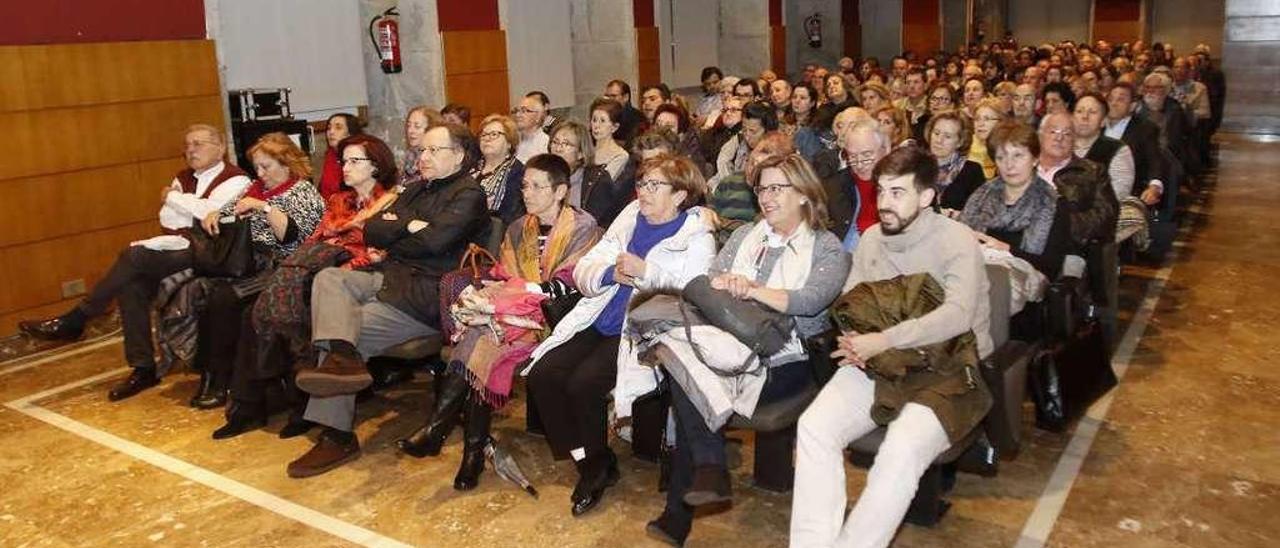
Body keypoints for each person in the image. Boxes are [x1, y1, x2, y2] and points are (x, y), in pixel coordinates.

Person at [791, 146, 993, 548]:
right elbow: (851, 303)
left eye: (897, 193)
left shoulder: (956, 240)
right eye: (881, 191)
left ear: (926, 197)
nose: (885, 203)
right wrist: (850, 340)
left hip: (950, 369)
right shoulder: (871, 240)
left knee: (901, 448)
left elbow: (957, 316)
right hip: (879, 362)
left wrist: (882, 339)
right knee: (814, 428)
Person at [646, 154, 851, 546]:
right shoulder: (745, 236)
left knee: (689, 379)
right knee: (681, 362)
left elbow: (809, 301)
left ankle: (691, 495)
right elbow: (710, 280)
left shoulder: (826, 247)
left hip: (789, 356)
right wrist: (726, 284)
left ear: (805, 194)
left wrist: (751, 290)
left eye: (777, 188)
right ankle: (708, 468)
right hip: (730, 341)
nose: (766, 197)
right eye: (761, 189)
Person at [287, 124, 489, 478]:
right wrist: (410, 227)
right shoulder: (415, 189)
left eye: (433, 151)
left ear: (458, 155)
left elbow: (435, 243)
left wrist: (402, 227)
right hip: (388, 275)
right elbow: (374, 229)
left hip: (424, 295)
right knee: (328, 279)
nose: (423, 157)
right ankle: (341, 361)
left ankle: (337, 435)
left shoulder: (469, 194)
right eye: (422, 150)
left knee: (341, 331)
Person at [395, 154, 602, 489]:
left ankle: (444, 432)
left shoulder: (583, 228)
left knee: (481, 339)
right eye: (524, 185)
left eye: (537, 186)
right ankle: (469, 453)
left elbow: (569, 284)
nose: (527, 193)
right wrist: (503, 291)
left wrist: (517, 292)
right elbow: (504, 272)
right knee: (484, 342)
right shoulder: (520, 227)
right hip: (511, 317)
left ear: (561, 190)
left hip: (557, 320)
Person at [526, 153, 715, 516]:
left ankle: (594, 469)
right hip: (601, 315)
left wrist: (648, 271)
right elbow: (585, 267)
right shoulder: (630, 218)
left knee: (583, 384)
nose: (642, 191)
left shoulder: (696, 235)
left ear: (679, 195)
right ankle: (591, 460)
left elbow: (696, 293)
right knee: (543, 374)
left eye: (654, 185)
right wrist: (609, 273)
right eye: (641, 183)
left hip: (642, 330)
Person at [20, 124, 252, 401]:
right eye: (187, 145)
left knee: (134, 256)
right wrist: (189, 207)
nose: (190, 151)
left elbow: (211, 216)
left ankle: (78, 318)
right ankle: (143, 368)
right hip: (183, 246)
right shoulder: (184, 177)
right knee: (132, 285)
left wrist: (175, 197)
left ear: (221, 147)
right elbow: (169, 219)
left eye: (198, 144)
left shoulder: (236, 180)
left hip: (216, 254)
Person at [212, 134, 396, 438]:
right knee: (256, 313)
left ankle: (303, 404)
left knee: (295, 307)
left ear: (375, 165)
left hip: (356, 274)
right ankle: (249, 407)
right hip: (318, 266)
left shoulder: (391, 201)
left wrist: (328, 268)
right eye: (343, 161)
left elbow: (379, 252)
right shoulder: (339, 200)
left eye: (353, 161)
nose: (344, 167)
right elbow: (315, 240)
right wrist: (301, 267)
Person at [961, 121, 1071, 281]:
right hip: (973, 273)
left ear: (1035, 159)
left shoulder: (1053, 203)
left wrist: (1007, 250)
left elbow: (1050, 268)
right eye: (1001, 157)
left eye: (1018, 155)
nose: (1009, 165)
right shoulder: (981, 195)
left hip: (1024, 285)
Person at [1037, 112, 1119, 250]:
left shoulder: (1092, 171)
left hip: (1069, 248)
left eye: (1067, 134)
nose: (1059, 138)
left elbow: (1106, 215)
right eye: (1053, 131)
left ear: (1075, 140)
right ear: (1040, 135)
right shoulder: (1023, 167)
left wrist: (1059, 225)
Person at [549, 119, 634, 228]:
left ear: (580, 153)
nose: (558, 149)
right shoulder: (543, 174)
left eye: (566, 144)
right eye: (555, 142)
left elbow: (598, 224)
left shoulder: (597, 180)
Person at [823, 119, 890, 251]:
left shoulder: (902, 186)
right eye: (852, 156)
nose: (859, 164)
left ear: (885, 150)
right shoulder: (833, 186)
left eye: (867, 155)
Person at [1105, 82, 1166, 206]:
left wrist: (1154, 187)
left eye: (1120, 100)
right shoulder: (1097, 124)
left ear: (1133, 106)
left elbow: (1155, 161)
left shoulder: (1145, 129)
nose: (1113, 103)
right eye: (1110, 99)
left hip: (1129, 190)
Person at [1073, 93, 1135, 199]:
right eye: (1079, 111)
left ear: (1103, 121)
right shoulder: (1061, 145)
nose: (1084, 117)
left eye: (1092, 112)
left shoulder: (1117, 150)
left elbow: (1119, 194)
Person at [925, 111, 985, 216]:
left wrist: (952, 214)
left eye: (947, 136)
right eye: (936, 133)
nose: (939, 140)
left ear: (960, 142)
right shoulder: (915, 166)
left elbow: (979, 213)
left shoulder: (972, 171)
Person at [472, 114, 527, 225]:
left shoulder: (518, 172)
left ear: (509, 143)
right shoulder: (471, 168)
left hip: (497, 233)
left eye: (494, 134)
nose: (487, 138)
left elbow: (512, 215)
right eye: (484, 135)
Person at [710, 101, 777, 191]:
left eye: (753, 131)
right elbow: (721, 168)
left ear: (768, 131)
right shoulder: (738, 141)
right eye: (744, 129)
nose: (747, 135)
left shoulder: (778, 151)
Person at [317, 113, 363, 199]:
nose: (331, 132)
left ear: (350, 133)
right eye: (329, 128)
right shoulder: (330, 155)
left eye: (338, 128)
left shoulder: (360, 157)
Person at [589, 97, 632, 180]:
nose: (596, 126)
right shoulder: (587, 150)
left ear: (614, 127)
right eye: (594, 120)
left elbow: (602, 183)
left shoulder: (620, 155)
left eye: (602, 121)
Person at [969, 97, 1007, 179]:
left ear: (1000, 122)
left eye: (987, 119)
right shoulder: (964, 147)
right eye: (977, 119)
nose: (980, 124)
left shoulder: (1007, 148)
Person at [401, 106, 440, 183]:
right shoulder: (410, 154)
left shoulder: (437, 158)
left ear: (432, 129)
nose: (410, 131)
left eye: (417, 126)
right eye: (408, 125)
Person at [514, 92, 551, 162]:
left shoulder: (545, 144)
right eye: (517, 110)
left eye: (524, 111)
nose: (518, 115)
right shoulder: (513, 140)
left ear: (538, 116)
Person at [606, 79, 647, 144]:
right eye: (607, 96)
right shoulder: (604, 115)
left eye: (614, 96)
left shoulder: (637, 118)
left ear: (626, 97)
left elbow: (634, 144)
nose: (609, 100)